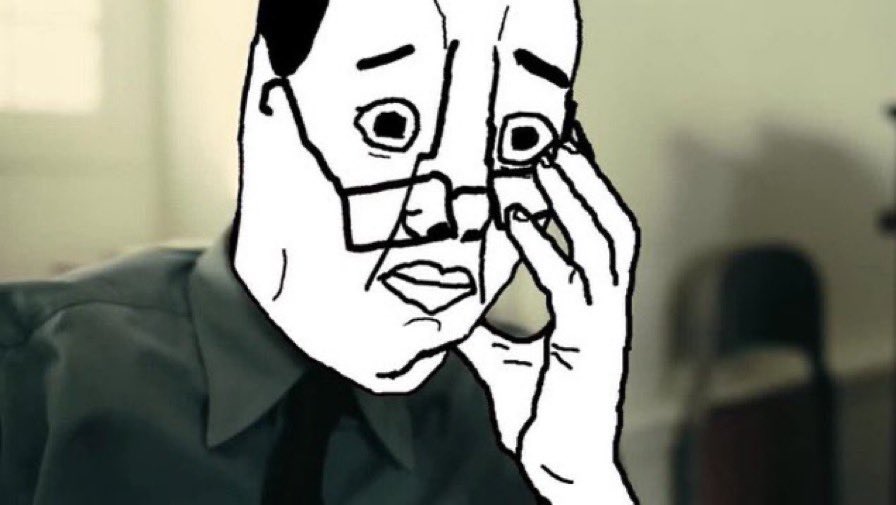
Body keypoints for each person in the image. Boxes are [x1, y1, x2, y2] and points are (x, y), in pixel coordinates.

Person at [0, 0, 640, 503]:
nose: (465, 213)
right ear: (267, 110)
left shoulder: (513, 416)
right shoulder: (34, 373)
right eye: (392, 125)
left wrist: (582, 483)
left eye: (521, 139)